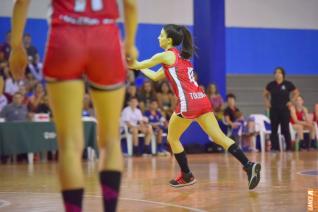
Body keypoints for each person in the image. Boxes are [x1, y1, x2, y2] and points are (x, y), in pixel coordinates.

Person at [10, 1, 138, 212]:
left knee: (69, 145)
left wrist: (16, 46)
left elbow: (22, 1)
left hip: (64, 37)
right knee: (110, 140)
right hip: (105, 38)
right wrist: (130, 42)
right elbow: (131, 5)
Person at [128, 24, 261, 190]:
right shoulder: (182, 58)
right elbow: (154, 76)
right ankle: (248, 165)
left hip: (188, 104)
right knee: (220, 138)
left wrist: (130, 61)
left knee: (172, 139)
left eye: (160, 35)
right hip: (202, 100)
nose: (158, 37)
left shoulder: (166, 55)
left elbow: (140, 65)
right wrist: (136, 66)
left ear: (169, 40)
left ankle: (187, 175)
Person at [264, 67, 299, 151]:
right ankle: (274, 148)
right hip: (274, 110)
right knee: (274, 129)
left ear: (283, 74)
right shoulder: (271, 84)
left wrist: (292, 101)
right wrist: (267, 102)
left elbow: (296, 92)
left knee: (285, 129)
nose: (277, 74)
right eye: (275, 73)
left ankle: (289, 147)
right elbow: (265, 94)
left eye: (279, 73)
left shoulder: (288, 84)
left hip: (284, 110)